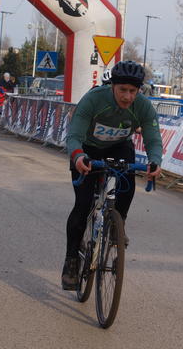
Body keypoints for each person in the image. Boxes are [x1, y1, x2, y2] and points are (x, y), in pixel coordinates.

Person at [62, 60, 163, 290]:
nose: (128, 96)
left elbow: (153, 139)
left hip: (119, 147)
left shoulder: (143, 107)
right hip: (88, 150)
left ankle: (119, 224)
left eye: (133, 91)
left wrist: (155, 161)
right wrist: (78, 156)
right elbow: (74, 135)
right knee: (83, 205)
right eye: (122, 90)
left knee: (128, 182)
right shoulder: (94, 99)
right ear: (112, 87)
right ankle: (71, 260)